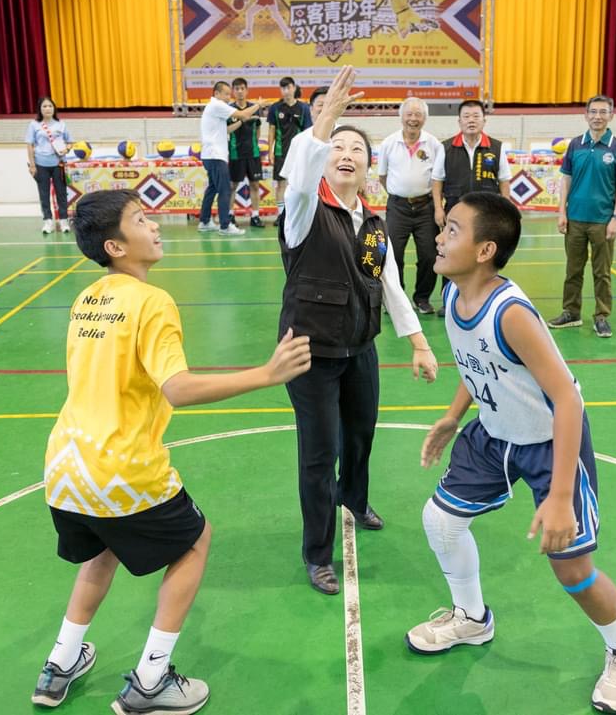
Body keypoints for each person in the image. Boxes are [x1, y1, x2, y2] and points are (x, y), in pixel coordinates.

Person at [33, 188, 311, 713]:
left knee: (103, 549)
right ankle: (151, 680)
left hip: (64, 465)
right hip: (121, 467)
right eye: (141, 219)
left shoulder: (87, 298)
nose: (155, 225)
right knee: (195, 540)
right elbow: (177, 389)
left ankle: (59, 664)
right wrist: (266, 374)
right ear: (115, 246)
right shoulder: (151, 301)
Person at [411, 191, 616, 715]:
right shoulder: (454, 295)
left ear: (485, 251)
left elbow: (567, 398)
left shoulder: (511, 312)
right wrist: (453, 415)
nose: (440, 237)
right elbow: (478, 363)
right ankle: (472, 619)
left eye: (453, 230)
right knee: (441, 521)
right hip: (495, 431)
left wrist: (560, 496)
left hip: (550, 442)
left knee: (572, 569)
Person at [278, 66, 438, 596]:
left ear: (371, 168)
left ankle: (355, 498)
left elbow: (389, 284)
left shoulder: (372, 222)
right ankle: (317, 552)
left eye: (358, 150)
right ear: (323, 159)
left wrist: (418, 343)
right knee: (319, 453)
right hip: (310, 355)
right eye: (337, 148)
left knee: (361, 434)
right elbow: (300, 177)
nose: (347, 155)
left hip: (359, 350)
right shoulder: (303, 211)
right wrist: (324, 119)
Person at [549, 95, 616, 338]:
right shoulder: (575, 145)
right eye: (593, 112)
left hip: (603, 221)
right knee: (573, 270)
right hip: (575, 219)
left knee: (602, 273)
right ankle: (571, 312)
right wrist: (562, 212)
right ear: (585, 115)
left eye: (603, 112)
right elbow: (566, 180)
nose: (597, 116)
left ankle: (601, 316)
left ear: (611, 116)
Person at [431, 100, 513, 316]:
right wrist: (438, 208)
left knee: (484, 257)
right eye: (466, 116)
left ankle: (482, 298)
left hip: (486, 217)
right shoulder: (446, 147)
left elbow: (504, 181)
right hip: (455, 215)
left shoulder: (497, 148)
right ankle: (448, 300)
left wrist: (505, 211)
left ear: (484, 120)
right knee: (450, 254)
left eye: (476, 116)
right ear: (459, 121)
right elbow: (437, 181)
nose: (471, 120)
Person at [378, 96, 443, 316]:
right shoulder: (389, 143)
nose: (413, 119)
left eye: (418, 114)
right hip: (397, 207)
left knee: (429, 255)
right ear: (401, 117)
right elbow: (383, 177)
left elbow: (438, 178)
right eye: (409, 114)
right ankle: (396, 298)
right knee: (393, 255)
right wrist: (401, 193)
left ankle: (422, 298)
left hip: (426, 208)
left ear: (425, 118)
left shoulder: (434, 144)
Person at [197, 81, 267, 236]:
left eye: (229, 94)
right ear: (216, 94)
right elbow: (243, 114)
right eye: (226, 94)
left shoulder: (214, 108)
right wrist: (258, 104)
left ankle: (205, 221)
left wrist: (242, 121)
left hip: (211, 155)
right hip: (215, 156)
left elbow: (227, 129)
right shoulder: (217, 106)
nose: (229, 97)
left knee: (213, 188)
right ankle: (225, 225)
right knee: (225, 189)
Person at [26, 96, 72, 235]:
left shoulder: (61, 124)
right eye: (44, 106)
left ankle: (63, 220)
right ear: (40, 109)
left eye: (50, 106)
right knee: (44, 194)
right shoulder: (34, 125)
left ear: (54, 108)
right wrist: (32, 165)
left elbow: (70, 142)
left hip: (58, 163)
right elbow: (29, 145)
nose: (47, 109)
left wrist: (67, 149)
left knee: (61, 193)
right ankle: (48, 221)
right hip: (41, 164)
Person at [263, 76, 312, 207]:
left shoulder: (304, 108)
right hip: (280, 152)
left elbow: (307, 132)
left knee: (298, 184)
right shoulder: (275, 108)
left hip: (298, 153)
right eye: (283, 88)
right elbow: (271, 131)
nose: (286, 91)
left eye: (288, 87)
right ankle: (281, 213)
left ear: (294, 88)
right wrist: (270, 152)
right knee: (281, 184)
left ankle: (295, 211)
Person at [227, 77, 267, 228]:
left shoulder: (254, 108)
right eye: (237, 89)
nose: (240, 91)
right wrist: (241, 120)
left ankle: (255, 216)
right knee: (233, 186)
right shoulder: (230, 110)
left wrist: (254, 144)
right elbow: (227, 130)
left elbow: (258, 129)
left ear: (247, 90)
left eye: (242, 88)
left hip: (253, 154)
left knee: (255, 185)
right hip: (236, 154)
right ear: (233, 91)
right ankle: (230, 216)